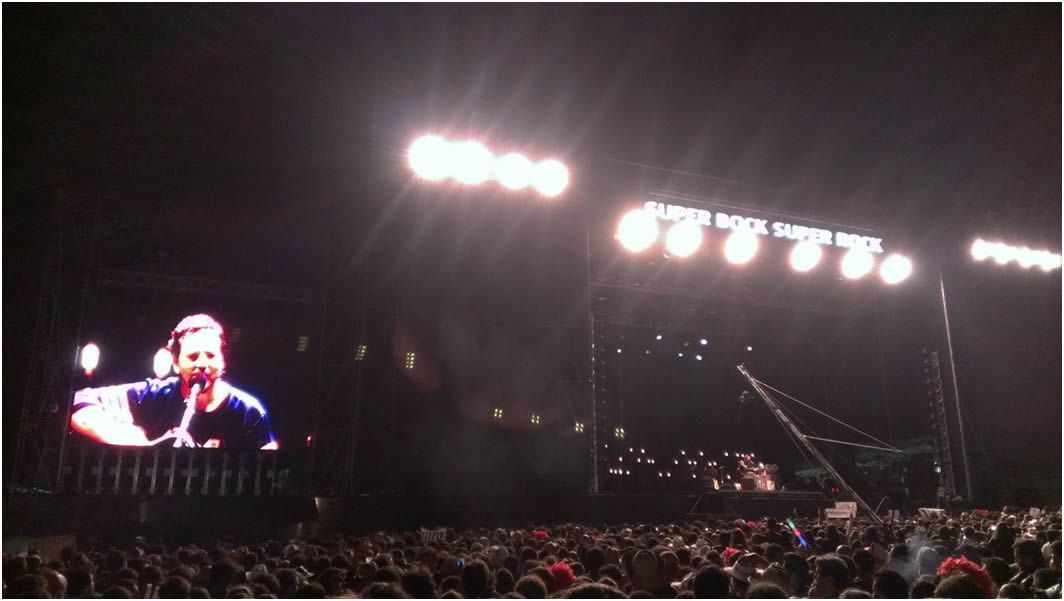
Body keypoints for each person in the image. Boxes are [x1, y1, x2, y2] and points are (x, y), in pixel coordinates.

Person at [70, 314, 278, 450]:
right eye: (193, 357)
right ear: (176, 364)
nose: (202, 363)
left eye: (211, 355)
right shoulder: (155, 394)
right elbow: (80, 404)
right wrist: (138, 442)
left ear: (223, 361)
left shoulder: (249, 413)